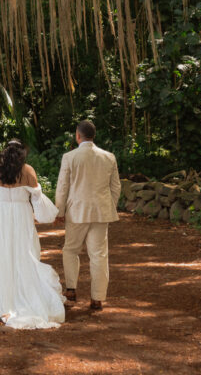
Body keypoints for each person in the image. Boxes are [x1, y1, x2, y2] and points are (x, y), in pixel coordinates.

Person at [0, 139, 65, 330]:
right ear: (21, 153)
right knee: (24, 253)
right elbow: (37, 197)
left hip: (1, 217)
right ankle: (26, 295)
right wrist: (46, 214)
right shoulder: (28, 171)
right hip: (21, 216)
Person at [54, 120, 121, 312]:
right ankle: (97, 298)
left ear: (77, 135)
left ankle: (71, 289)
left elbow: (63, 187)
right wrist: (109, 206)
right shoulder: (108, 157)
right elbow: (115, 187)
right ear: (94, 135)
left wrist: (60, 211)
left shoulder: (70, 157)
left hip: (76, 211)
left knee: (71, 250)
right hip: (101, 211)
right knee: (99, 255)